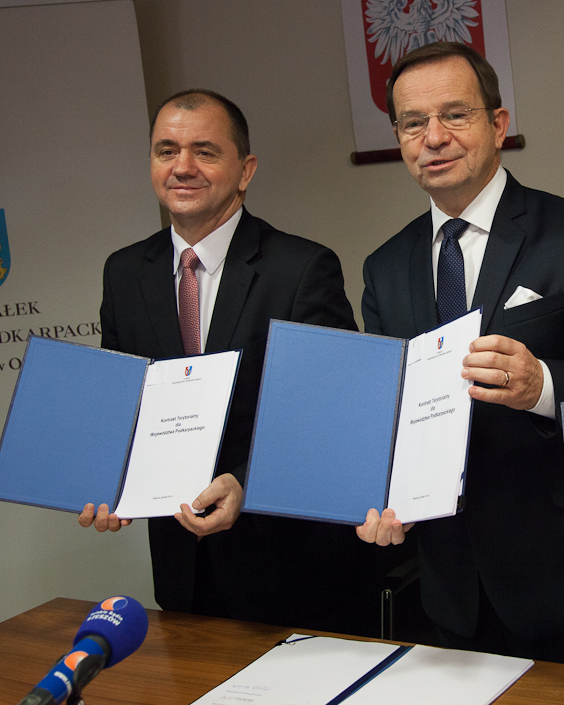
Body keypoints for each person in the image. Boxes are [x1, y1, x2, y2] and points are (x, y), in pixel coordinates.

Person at [356, 42, 564, 669]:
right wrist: (381, 494)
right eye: (413, 122)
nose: (434, 137)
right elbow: (390, 417)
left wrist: (544, 386)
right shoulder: (385, 267)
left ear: (498, 124)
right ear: (398, 139)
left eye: (456, 114)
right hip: (449, 592)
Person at [79, 89, 386, 632]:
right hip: (182, 566)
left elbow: (333, 417)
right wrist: (109, 479)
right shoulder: (124, 272)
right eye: (166, 150)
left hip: (291, 567)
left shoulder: (301, 268)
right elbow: (123, 404)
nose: (183, 167)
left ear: (245, 170)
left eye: (205, 151)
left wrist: (246, 482)